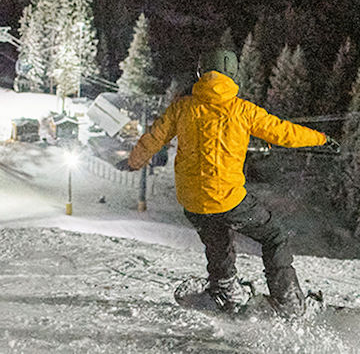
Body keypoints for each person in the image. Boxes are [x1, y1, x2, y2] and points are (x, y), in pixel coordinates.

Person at [116, 49, 338, 317]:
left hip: (192, 201)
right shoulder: (243, 110)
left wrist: (133, 162)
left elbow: (153, 137)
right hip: (229, 199)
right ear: (232, 76)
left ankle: (225, 290)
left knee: (216, 238)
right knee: (274, 236)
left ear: (201, 73)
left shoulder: (182, 107)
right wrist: (321, 139)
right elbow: (284, 132)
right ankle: (288, 301)